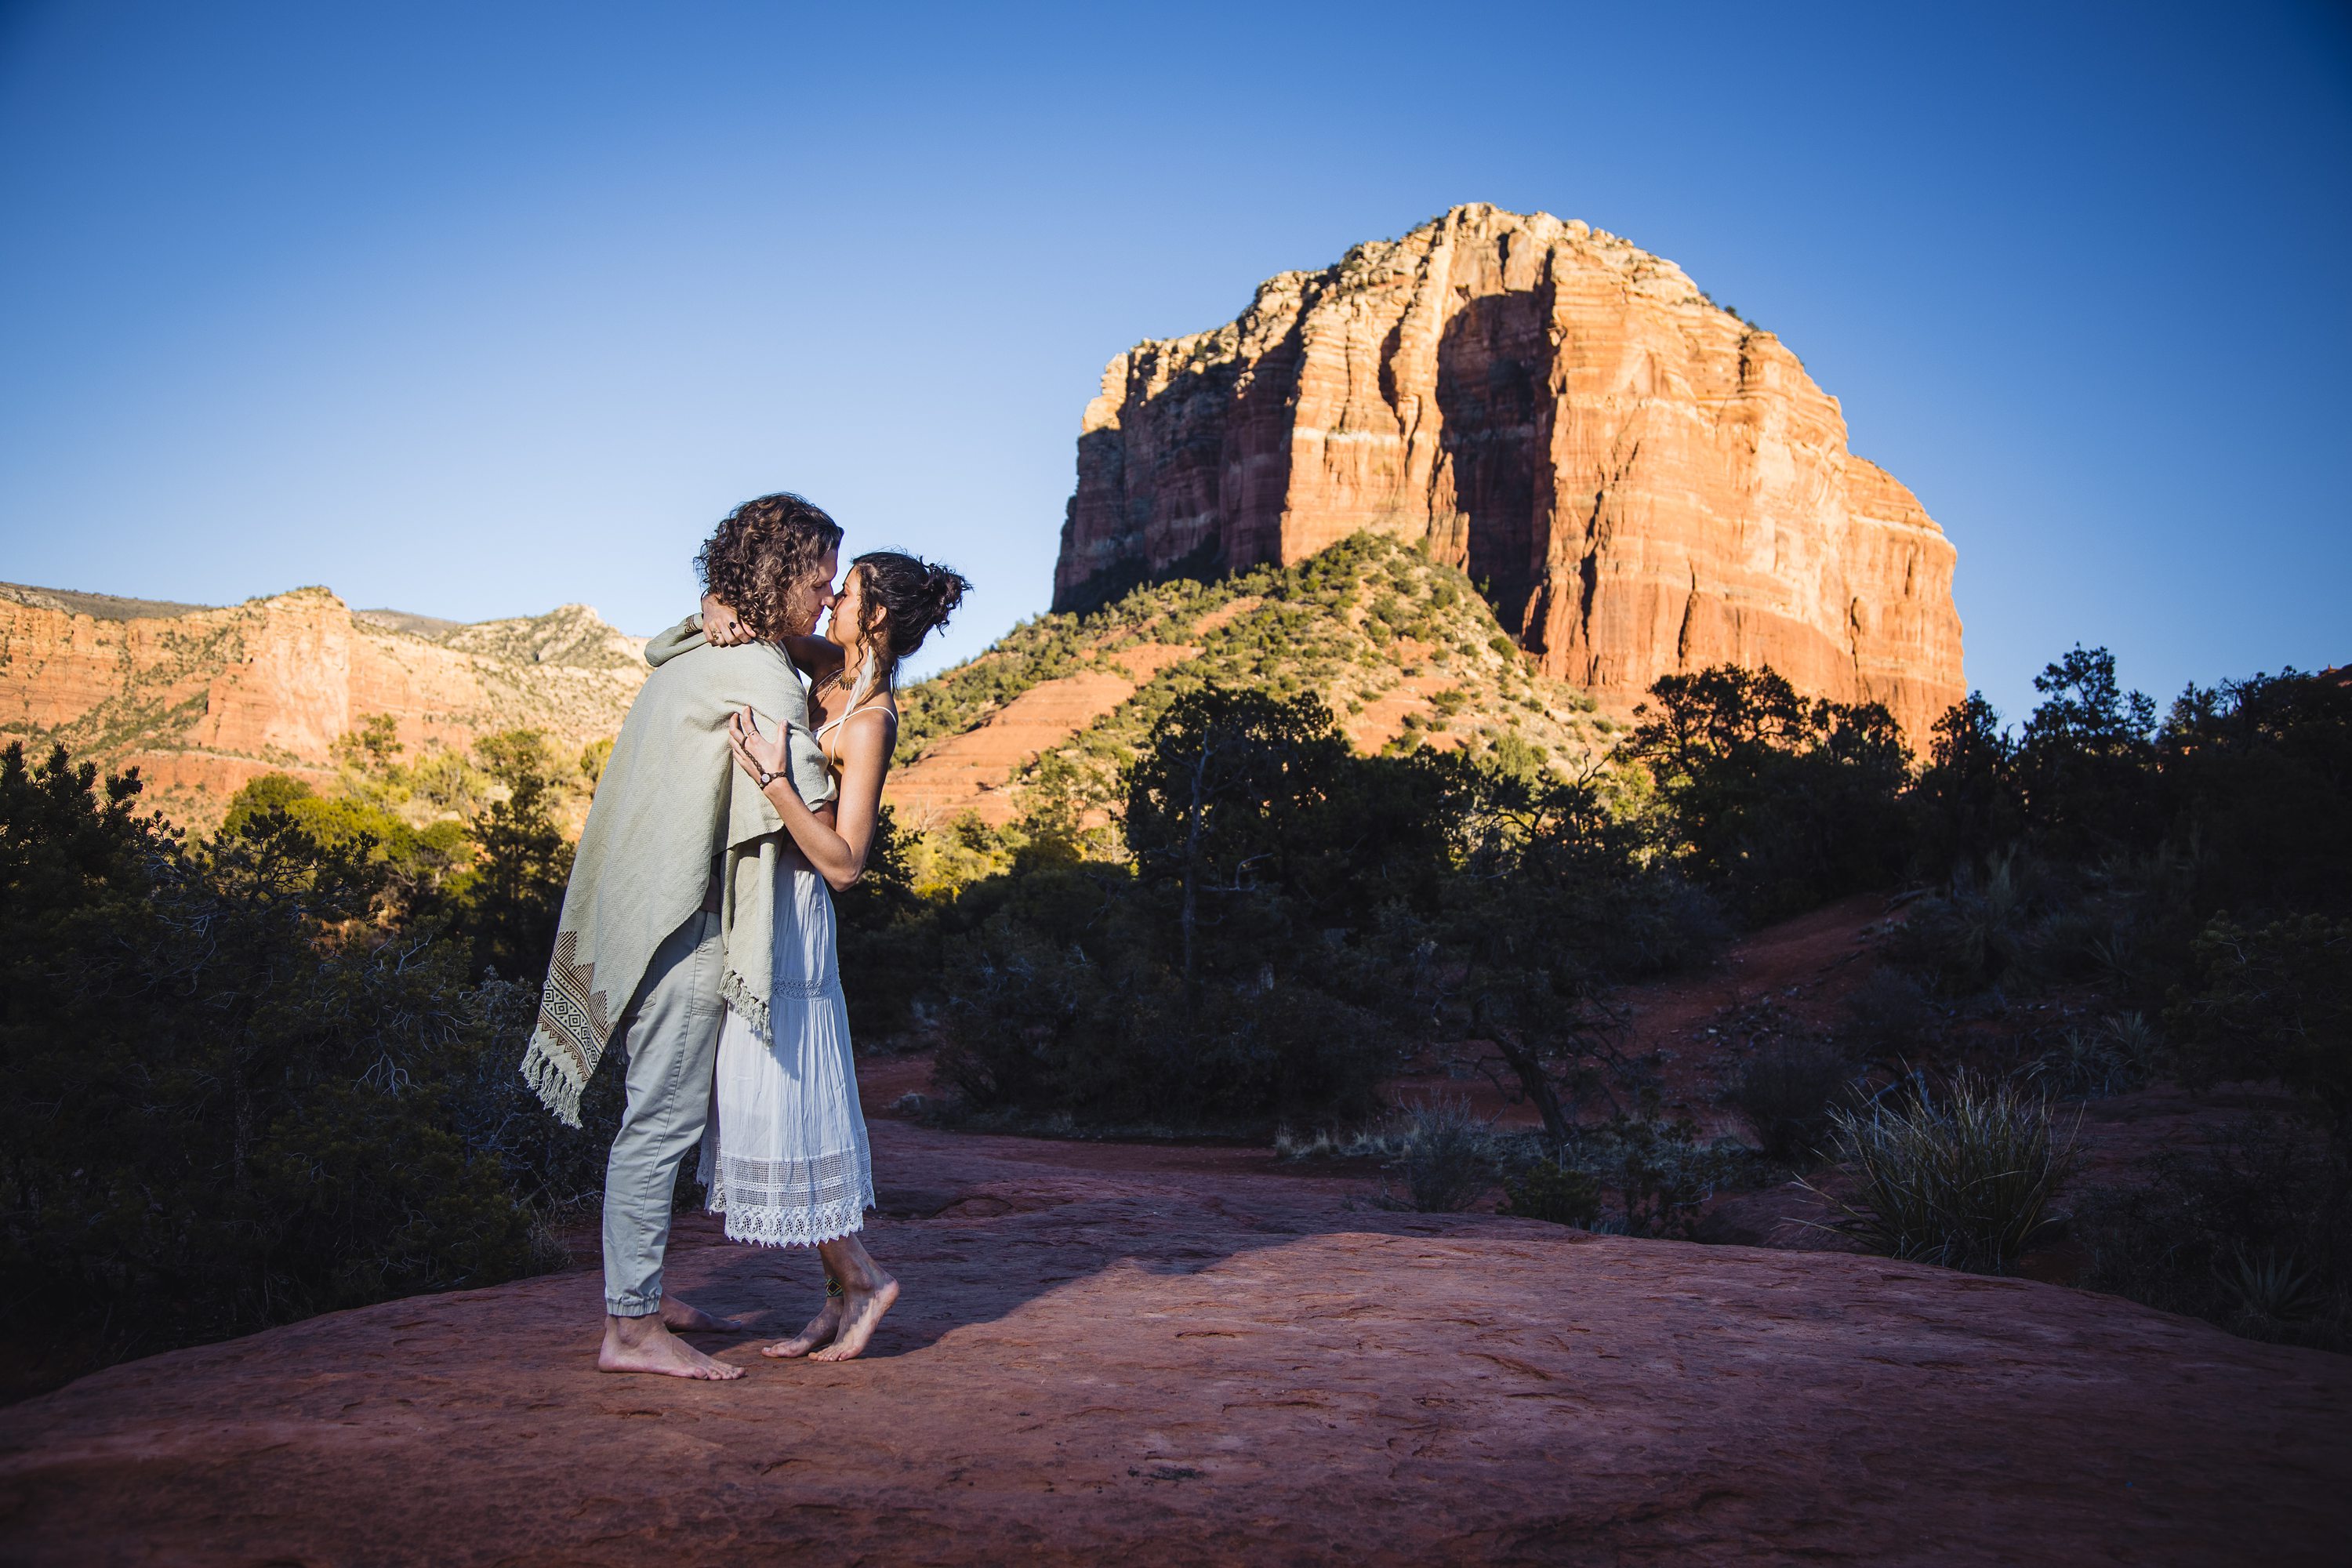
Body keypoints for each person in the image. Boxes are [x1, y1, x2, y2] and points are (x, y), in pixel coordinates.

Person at [521, 492, 843, 1381]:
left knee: (658, 1114)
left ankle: (647, 1297)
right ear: (781, 579)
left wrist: (727, 607)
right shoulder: (762, 673)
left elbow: (824, 648)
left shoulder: (701, 645)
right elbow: (818, 811)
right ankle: (629, 1330)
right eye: (818, 580)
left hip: (654, 904)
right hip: (685, 916)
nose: (827, 596)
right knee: (661, 1119)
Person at [691, 550, 969, 1362]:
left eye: (844, 593)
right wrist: (714, 602)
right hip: (751, 904)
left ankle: (867, 1279)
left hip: (795, 918)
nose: (829, 601)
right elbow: (742, 616)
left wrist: (777, 782)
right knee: (776, 1107)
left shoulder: (873, 718)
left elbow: (846, 862)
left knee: (788, 1102)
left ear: (875, 614)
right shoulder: (817, 666)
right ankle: (836, 1292)